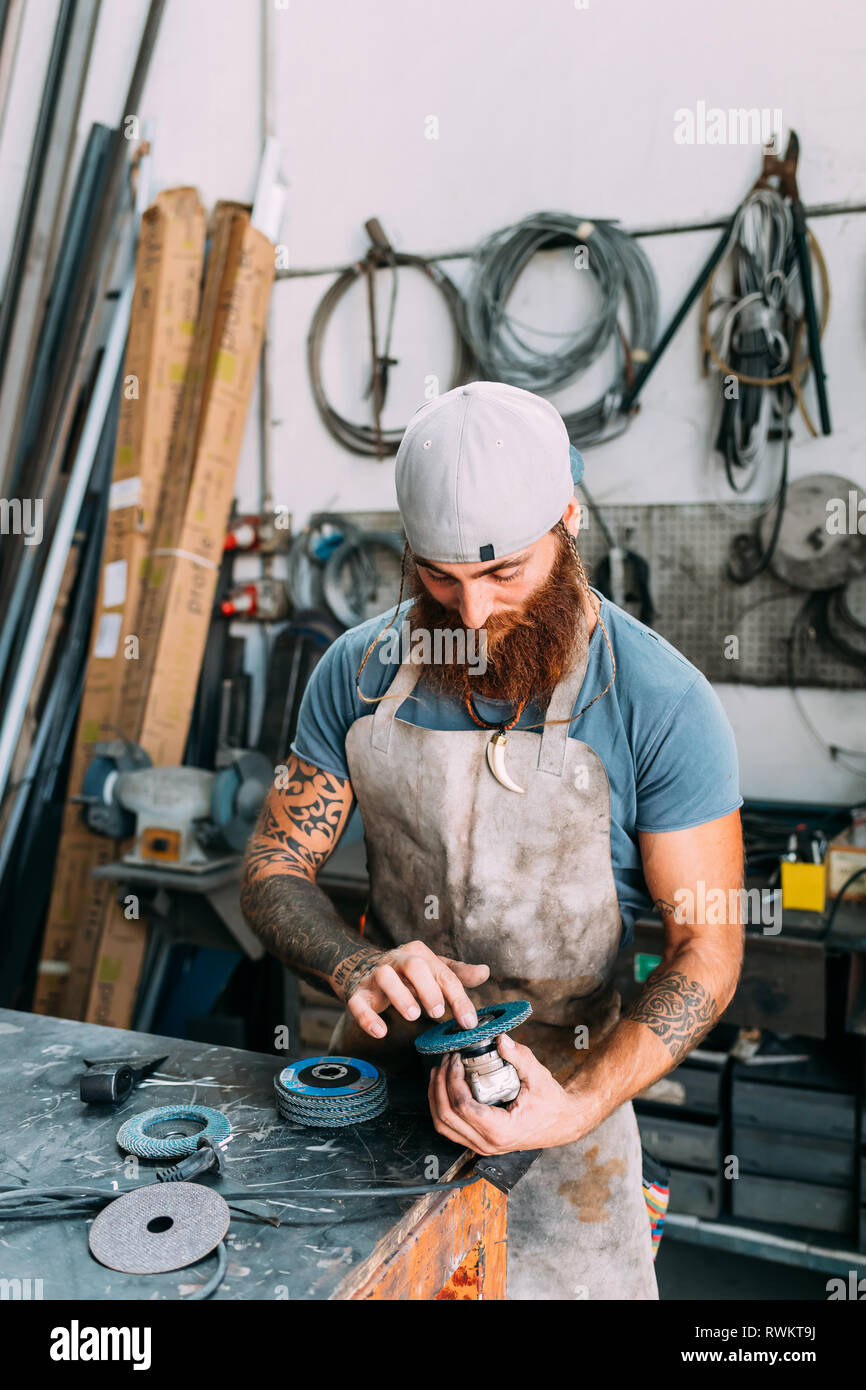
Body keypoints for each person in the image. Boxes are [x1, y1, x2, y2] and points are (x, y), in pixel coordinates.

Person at [241, 381, 744, 1300]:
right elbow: (274, 868)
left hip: (567, 1102)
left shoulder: (662, 703)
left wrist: (582, 1102)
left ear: (567, 519)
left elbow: (707, 948)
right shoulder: (355, 674)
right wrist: (356, 967)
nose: (470, 613)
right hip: (383, 1083)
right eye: (439, 576)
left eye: (504, 572)